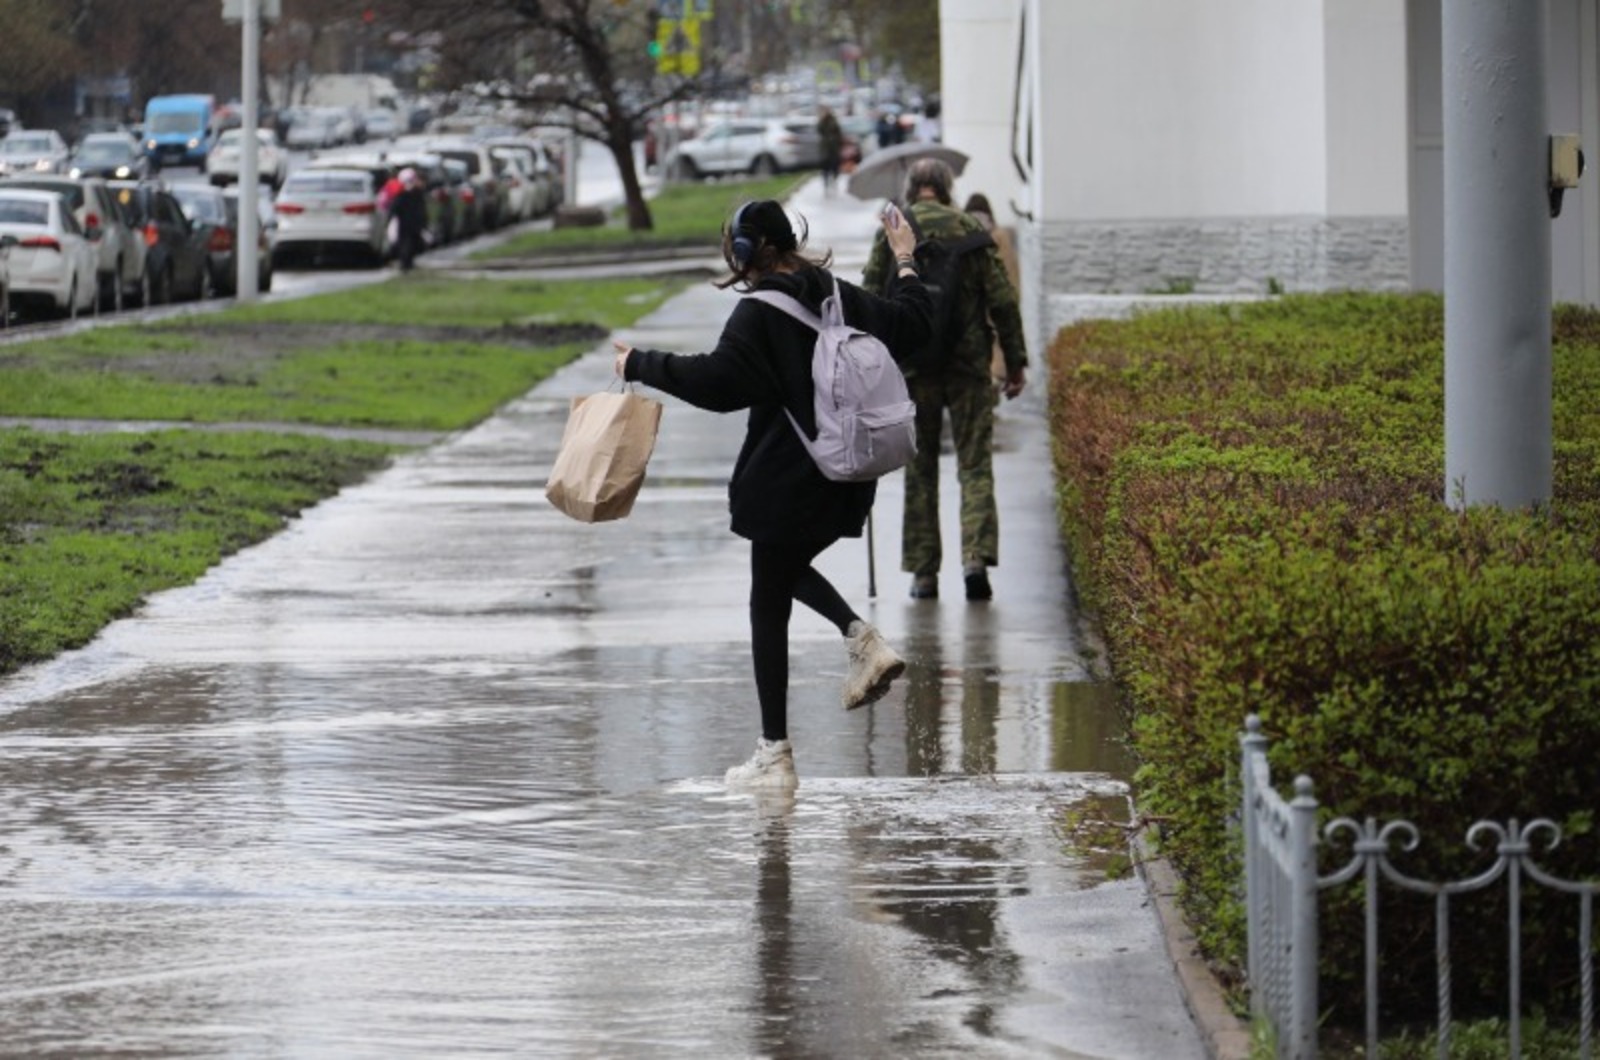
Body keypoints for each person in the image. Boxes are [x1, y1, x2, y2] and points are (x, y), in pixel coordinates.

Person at [612, 199, 933, 791]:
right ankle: (853, 647)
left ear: (742, 252)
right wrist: (906, 259)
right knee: (780, 577)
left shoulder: (758, 315)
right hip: (845, 475)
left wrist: (640, 363)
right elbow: (916, 325)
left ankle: (776, 752)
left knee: (768, 600)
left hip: (789, 480)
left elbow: (716, 385)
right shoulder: (835, 294)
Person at [862, 159, 1029, 602]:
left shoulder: (894, 229)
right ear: (947, 187)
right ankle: (975, 560)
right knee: (975, 465)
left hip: (913, 370)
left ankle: (923, 573)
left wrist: (872, 367)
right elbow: (1003, 301)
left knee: (920, 470)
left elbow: (871, 297)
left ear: (912, 189)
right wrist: (1015, 362)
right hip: (969, 368)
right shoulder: (971, 231)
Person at [962, 192, 1021, 386]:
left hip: (970, 302)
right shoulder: (999, 234)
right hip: (995, 299)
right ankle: (993, 385)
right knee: (996, 345)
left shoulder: (960, 232)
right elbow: (1010, 269)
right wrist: (1013, 297)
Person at [389, 167, 428, 272]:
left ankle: (407, 263)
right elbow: (395, 208)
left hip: (411, 223)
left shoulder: (413, 193)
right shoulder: (404, 194)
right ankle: (405, 264)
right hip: (407, 223)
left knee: (411, 243)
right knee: (406, 244)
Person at [817, 107, 843, 197]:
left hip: (834, 148)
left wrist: (838, 143)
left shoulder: (833, 121)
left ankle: (834, 181)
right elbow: (819, 130)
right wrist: (822, 119)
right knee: (825, 168)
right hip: (825, 149)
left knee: (835, 166)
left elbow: (839, 133)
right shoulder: (822, 122)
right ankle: (826, 185)